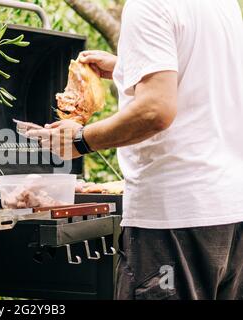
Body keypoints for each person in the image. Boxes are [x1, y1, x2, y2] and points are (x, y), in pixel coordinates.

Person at [26, 0, 243, 300]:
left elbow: (156, 110)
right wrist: (128, 66)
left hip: (173, 218)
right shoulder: (222, 5)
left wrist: (80, 140)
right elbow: (205, 75)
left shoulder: (148, 4)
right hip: (229, 213)